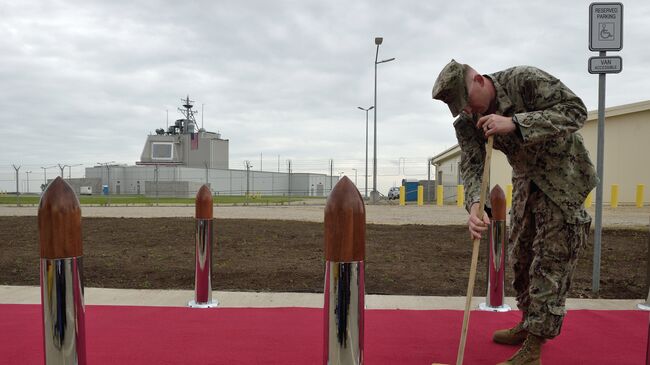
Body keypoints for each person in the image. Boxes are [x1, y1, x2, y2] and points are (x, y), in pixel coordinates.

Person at [431, 60, 597, 365]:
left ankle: (535, 346)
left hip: (564, 179)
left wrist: (517, 123)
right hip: (526, 181)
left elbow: (576, 111)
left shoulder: (525, 80)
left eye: (467, 103)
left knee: (550, 261)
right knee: (520, 256)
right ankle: (527, 321)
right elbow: (472, 164)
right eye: (459, 109)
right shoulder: (468, 120)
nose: (467, 111)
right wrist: (474, 205)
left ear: (479, 81)